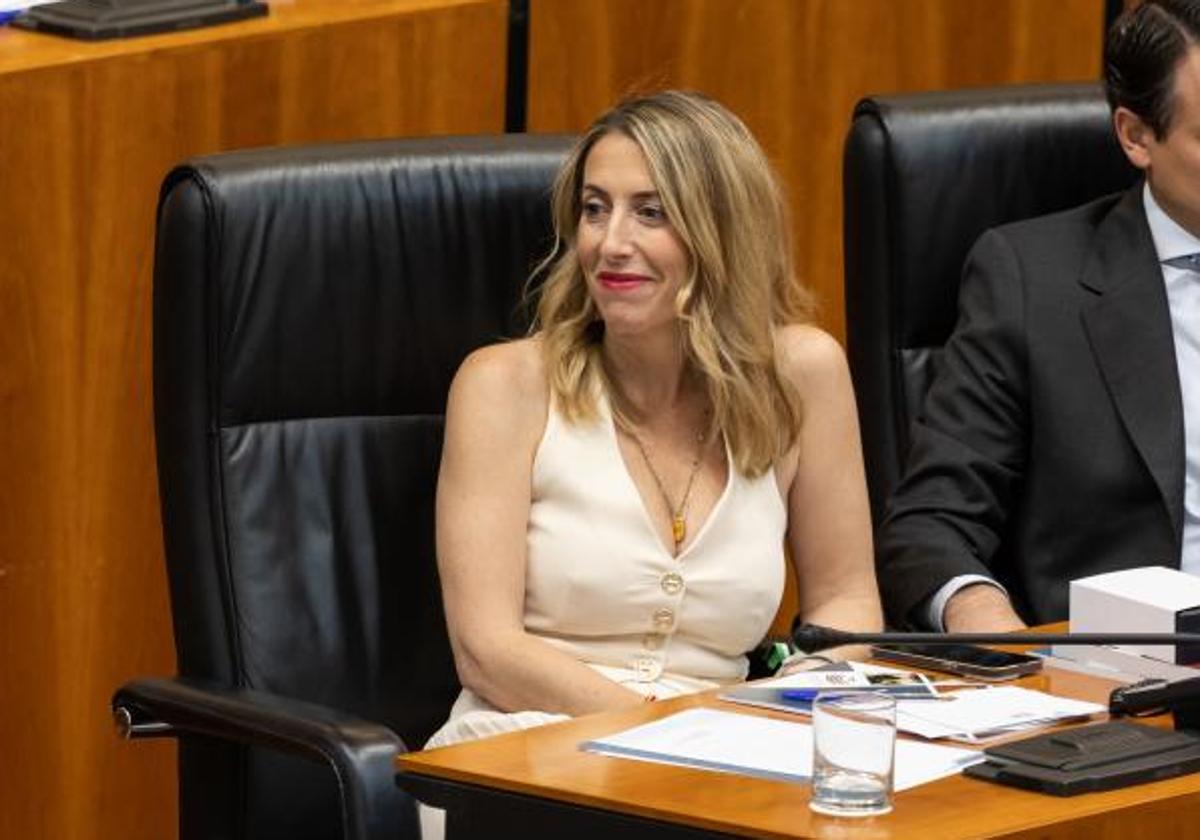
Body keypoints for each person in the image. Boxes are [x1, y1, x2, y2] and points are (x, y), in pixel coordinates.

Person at [428, 91, 881, 751]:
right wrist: (677, 732)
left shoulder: (803, 374)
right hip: (525, 744)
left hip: (731, 753)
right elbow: (486, 651)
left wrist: (794, 699)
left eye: (651, 213)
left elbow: (847, 604)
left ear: (721, 232)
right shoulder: (503, 385)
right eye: (593, 209)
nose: (611, 243)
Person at [877, 0, 1200, 633]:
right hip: (1133, 679)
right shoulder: (1032, 280)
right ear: (1136, 136)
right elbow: (932, 522)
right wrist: (992, 623)